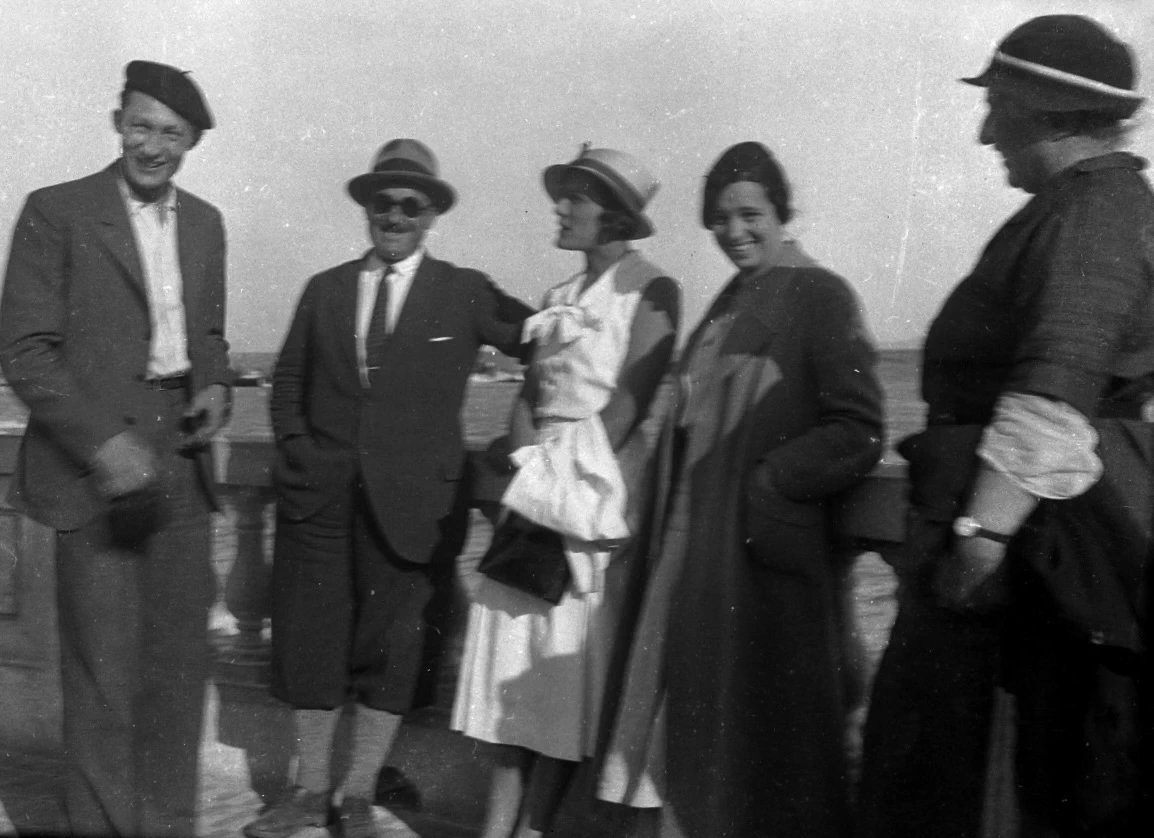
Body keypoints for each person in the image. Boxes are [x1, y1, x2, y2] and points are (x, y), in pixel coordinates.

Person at [858, 15, 1154, 837]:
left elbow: (1055, 396)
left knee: (985, 780)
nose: (986, 133)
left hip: (1027, 558)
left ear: (1042, 110)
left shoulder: (1095, 212)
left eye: (997, 108)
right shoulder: (1079, 207)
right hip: (1018, 549)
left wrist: (979, 541)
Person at [248, 138, 533, 838]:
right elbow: (289, 381)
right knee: (311, 643)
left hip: (417, 506)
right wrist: (298, 450)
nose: (396, 215)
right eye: (384, 202)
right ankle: (309, 792)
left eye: (412, 204)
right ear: (368, 208)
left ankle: (356, 793)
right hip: (321, 500)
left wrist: (526, 440)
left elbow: (539, 340)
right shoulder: (325, 289)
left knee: (396, 650)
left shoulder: (464, 290)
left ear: (432, 214)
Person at [599, 141, 884, 838]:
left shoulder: (819, 293)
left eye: (751, 214)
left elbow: (858, 427)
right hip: (694, 545)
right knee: (694, 726)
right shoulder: (732, 297)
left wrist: (769, 482)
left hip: (754, 551)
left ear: (781, 213)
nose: (734, 231)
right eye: (721, 219)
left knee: (760, 742)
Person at [0, 60, 230, 836]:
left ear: (192, 142)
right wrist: (103, 444)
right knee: (103, 679)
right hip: (95, 468)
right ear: (116, 123)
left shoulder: (205, 223)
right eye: (140, 126)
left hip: (182, 465)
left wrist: (215, 384)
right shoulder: (56, 211)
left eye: (172, 134)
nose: (153, 147)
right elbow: (26, 351)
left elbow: (208, 336)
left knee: (177, 674)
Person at [451, 146, 680, 838]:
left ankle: (533, 829)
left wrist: (556, 486)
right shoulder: (556, 300)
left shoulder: (652, 289)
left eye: (575, 198)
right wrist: (528, 468)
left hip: (593, 496)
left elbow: (629, 403)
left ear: (613, 214)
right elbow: (530, 396)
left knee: (560, 684)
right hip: (538, 490)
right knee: (512, 673)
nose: (560, 208)